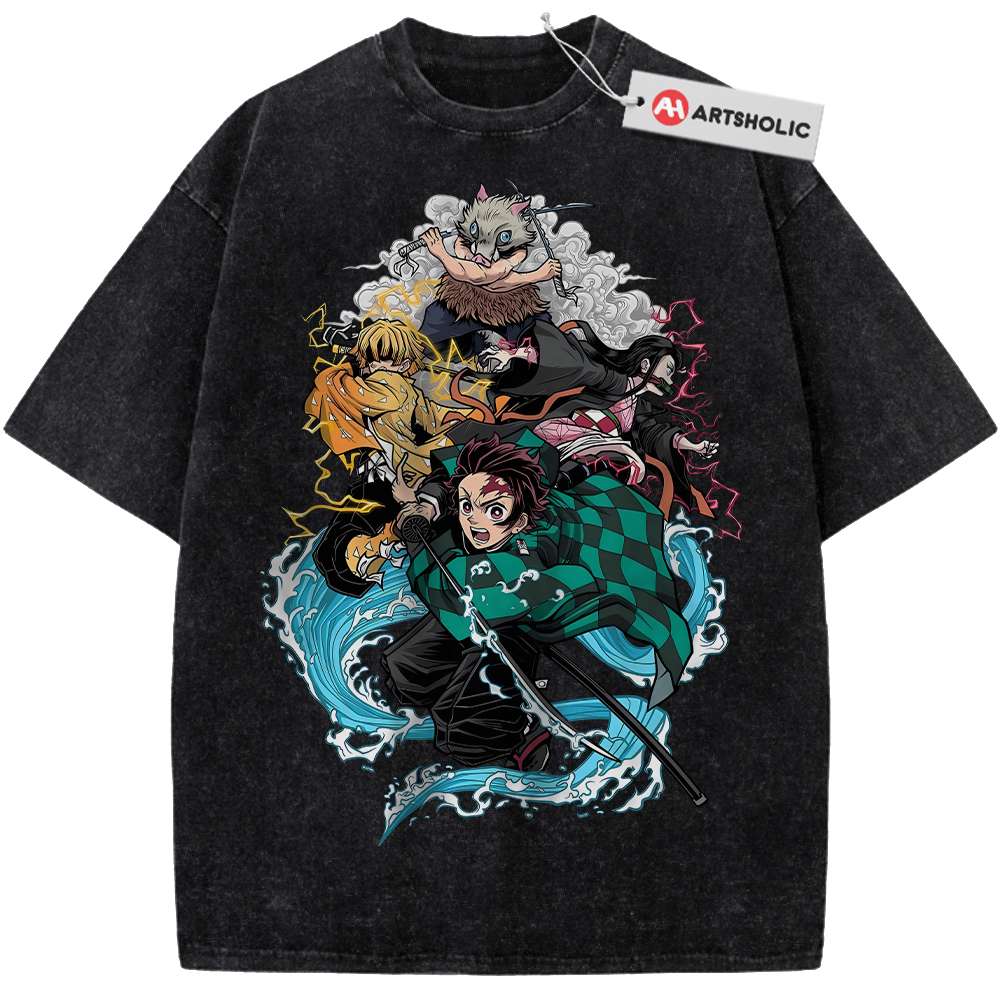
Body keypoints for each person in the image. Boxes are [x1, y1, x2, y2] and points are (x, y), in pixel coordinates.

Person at [384, 430, 693, 769]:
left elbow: (463, 587)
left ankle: (521, 736)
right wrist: (427, 505)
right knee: (408, 668)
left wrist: (418, 542)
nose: (474, 520)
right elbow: (453, 478)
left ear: (519, 522)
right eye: (467, 506)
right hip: (478, 602)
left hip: (521, 613)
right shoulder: (499, 490)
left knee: (469, 723)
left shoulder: (530, 550)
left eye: (494, 511)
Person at [482, 318, 719, 518]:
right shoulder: (614, 381)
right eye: (667, 371)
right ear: (646, 364)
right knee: (626, 458)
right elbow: (576, 364)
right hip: (566, 431)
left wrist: (693, 446)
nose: (669, 381)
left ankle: (563, 494)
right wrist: (514, 354)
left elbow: (656, 434)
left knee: (628, 463)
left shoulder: (639, 407)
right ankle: (554, 485)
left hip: (594, 444)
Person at [304, 316, 467, 593]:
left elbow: (331, 385)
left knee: (334, 551)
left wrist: (352, 362)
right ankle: (394, 537)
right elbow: (433, 419)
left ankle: (391, 537)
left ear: (402, 364)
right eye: (371, 359)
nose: (374, 367)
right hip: (407, 470)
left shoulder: (386, 385)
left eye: (383, 359)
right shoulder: (409, 390)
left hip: (392, 472)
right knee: (340, 546)